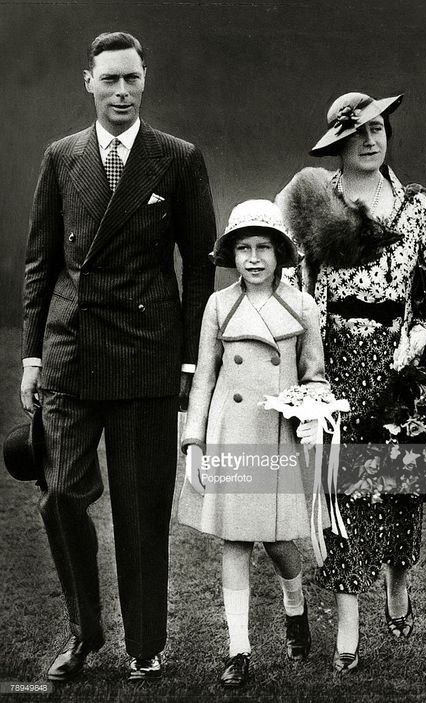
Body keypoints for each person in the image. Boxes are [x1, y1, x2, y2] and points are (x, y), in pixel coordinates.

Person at [20, 32, 216, 682]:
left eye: (132, 78)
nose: (122, 91)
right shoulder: (61, 158)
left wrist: (189, 362)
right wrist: (29, 359)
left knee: (140, 513)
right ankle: (84, 632)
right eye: (110, 80)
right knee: (59, 497)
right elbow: (41, 264)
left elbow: (200, 270)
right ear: (89, 82)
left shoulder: (178, 160)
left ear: (144, 80)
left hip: (146, 360)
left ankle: (145, 645)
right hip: (69, 358)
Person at [275, 92, 426, 672]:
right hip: (332, 362)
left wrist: (422, 336)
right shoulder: (312, 204)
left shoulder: (415, 207)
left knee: (400, 486)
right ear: (338, 143)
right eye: (358, 133)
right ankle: (349, 620)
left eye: (378, 129)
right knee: (343, 491)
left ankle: (399, 584)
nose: (371, 140)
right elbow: (289, 279)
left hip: (402, 365)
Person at [177, 200, 332, 687]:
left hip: (279, 437)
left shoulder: (302, 305)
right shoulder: (219, 305)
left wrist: (313, 409)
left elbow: (316, 376)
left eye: (263, 247)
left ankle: (295, 605)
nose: (254, 258)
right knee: (236, 540)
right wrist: (195, 444)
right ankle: (238, 649)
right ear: (232, 255)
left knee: (281, 542)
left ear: (280, 252)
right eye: (243, 248)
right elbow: (204, 379)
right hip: (231, 433)